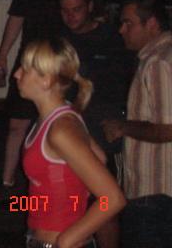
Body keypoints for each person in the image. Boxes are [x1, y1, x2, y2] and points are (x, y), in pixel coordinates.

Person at [0, 0, 82, 202]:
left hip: (63, 60)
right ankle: (7, 182)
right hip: (31, 59)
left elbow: (90, 19)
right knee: (17, 123)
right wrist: (2, 55)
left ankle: (69, 183)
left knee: (62, 122)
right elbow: (16, 18)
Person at [17, 38, 125, 248]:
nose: (17, 74)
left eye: (25, 69)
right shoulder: (62, 116)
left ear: (46, 80)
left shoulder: (61, 129)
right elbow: (100, 158)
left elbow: (112, 199)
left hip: (56, 241)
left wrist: (67, 240)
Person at [58, 0, 133, 248]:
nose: (70, 16)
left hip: (103, 131)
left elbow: (126, 81)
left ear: (90, 7)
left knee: (104, 205)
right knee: (68, 201)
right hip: (69, 130)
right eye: (65, 10)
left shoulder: (111, 38)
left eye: (76, 9)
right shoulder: (59, 39)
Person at [102, 0, 172, 247]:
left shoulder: (158, 62)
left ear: (152, 23)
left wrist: (123, 127)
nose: (121, 30)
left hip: (155, 192)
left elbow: (167, 129)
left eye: (128, 23)